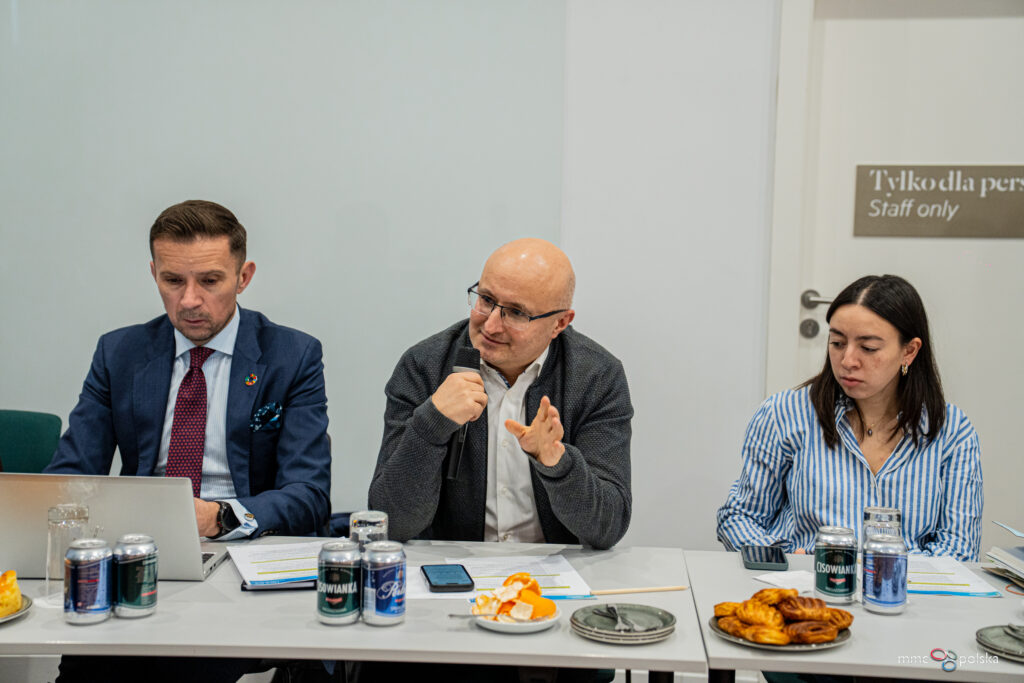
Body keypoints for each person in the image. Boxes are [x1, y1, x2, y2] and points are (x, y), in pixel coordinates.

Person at [46, 200, 332, 682]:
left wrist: (218, 517)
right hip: (137, 553)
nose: (190, 300)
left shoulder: (292, 355)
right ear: (153, 273)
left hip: (238, 553)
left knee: (187, 662)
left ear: (243, 277)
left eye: (210, 281)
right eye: (173, 281)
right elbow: (70, 476)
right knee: (85, 665)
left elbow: (309, 494)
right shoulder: (119, 352)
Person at [368, 238, 632, 549]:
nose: (491, 325)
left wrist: (557, 463)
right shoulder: (424, 366)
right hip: (454, 567)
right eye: (486, 300)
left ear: (560, 323)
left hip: (554, 570)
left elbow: (607, 528)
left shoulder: (596, 377)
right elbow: (392, 524)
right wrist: (432, 424)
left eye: (517, 313)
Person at [716, 274, 982, 561]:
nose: (848, 361)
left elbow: (959, 550)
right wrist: (781, 558)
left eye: (868, 348)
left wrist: (890, 573)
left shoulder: (952, 431)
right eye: (837, 342)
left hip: (905, 587)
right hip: (807, 583)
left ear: (909, 351)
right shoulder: (785, 413)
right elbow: (739, 517)